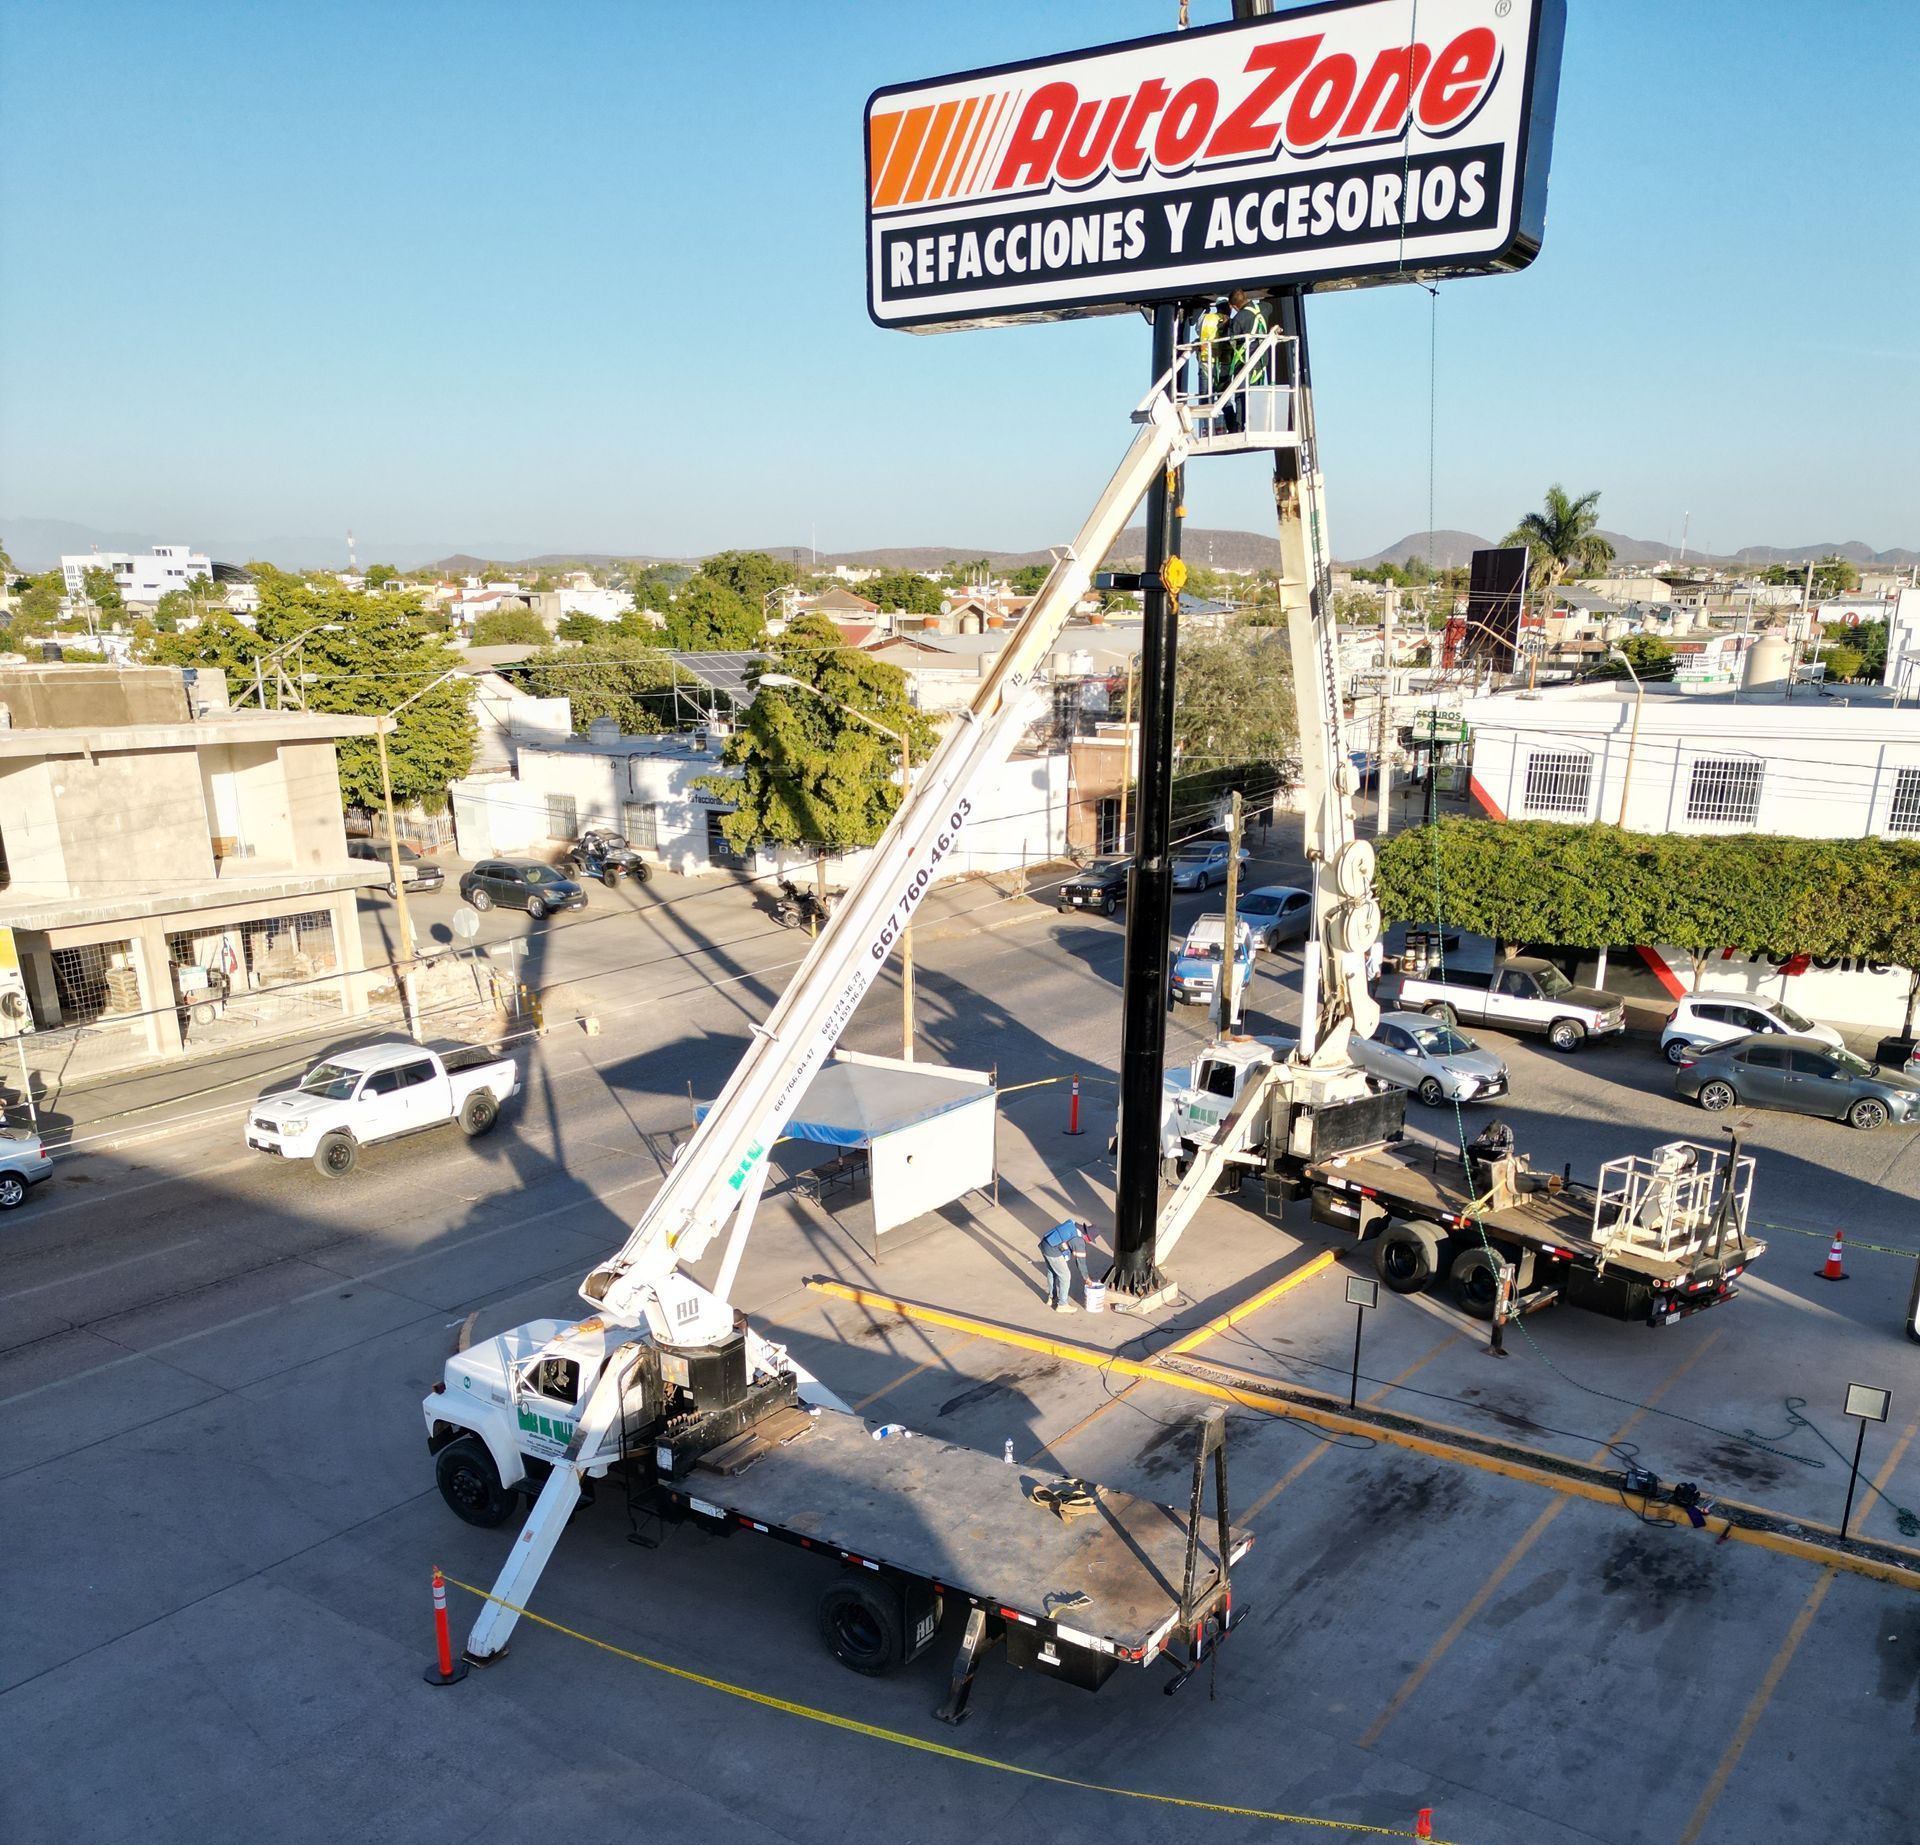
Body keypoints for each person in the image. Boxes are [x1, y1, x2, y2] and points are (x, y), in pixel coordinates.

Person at [1222, 288, 1268, 433]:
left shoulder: (1238, 319)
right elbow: (1270, 306)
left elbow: (1229, 340)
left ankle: (1239, 426)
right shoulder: (1263, 309)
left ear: (1234, 306)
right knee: (1256, 393)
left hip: (1245, 363)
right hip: (1261, 361)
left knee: (1241, 395)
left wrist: (1227, 324)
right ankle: (1258, 425)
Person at [1038, 1217, 1099, 1312]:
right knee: (1065, 1276)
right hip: (1052, 1251)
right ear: (1088, 1237)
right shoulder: (1078, 1241)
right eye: (1090, 1240)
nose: (1088, 1242)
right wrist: (1087, 1278)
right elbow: (1081, 1262)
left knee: (1052, 1272)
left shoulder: (1074, 1226)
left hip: (1045, 1243)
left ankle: (1052, 1298)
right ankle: (1062, 1304)